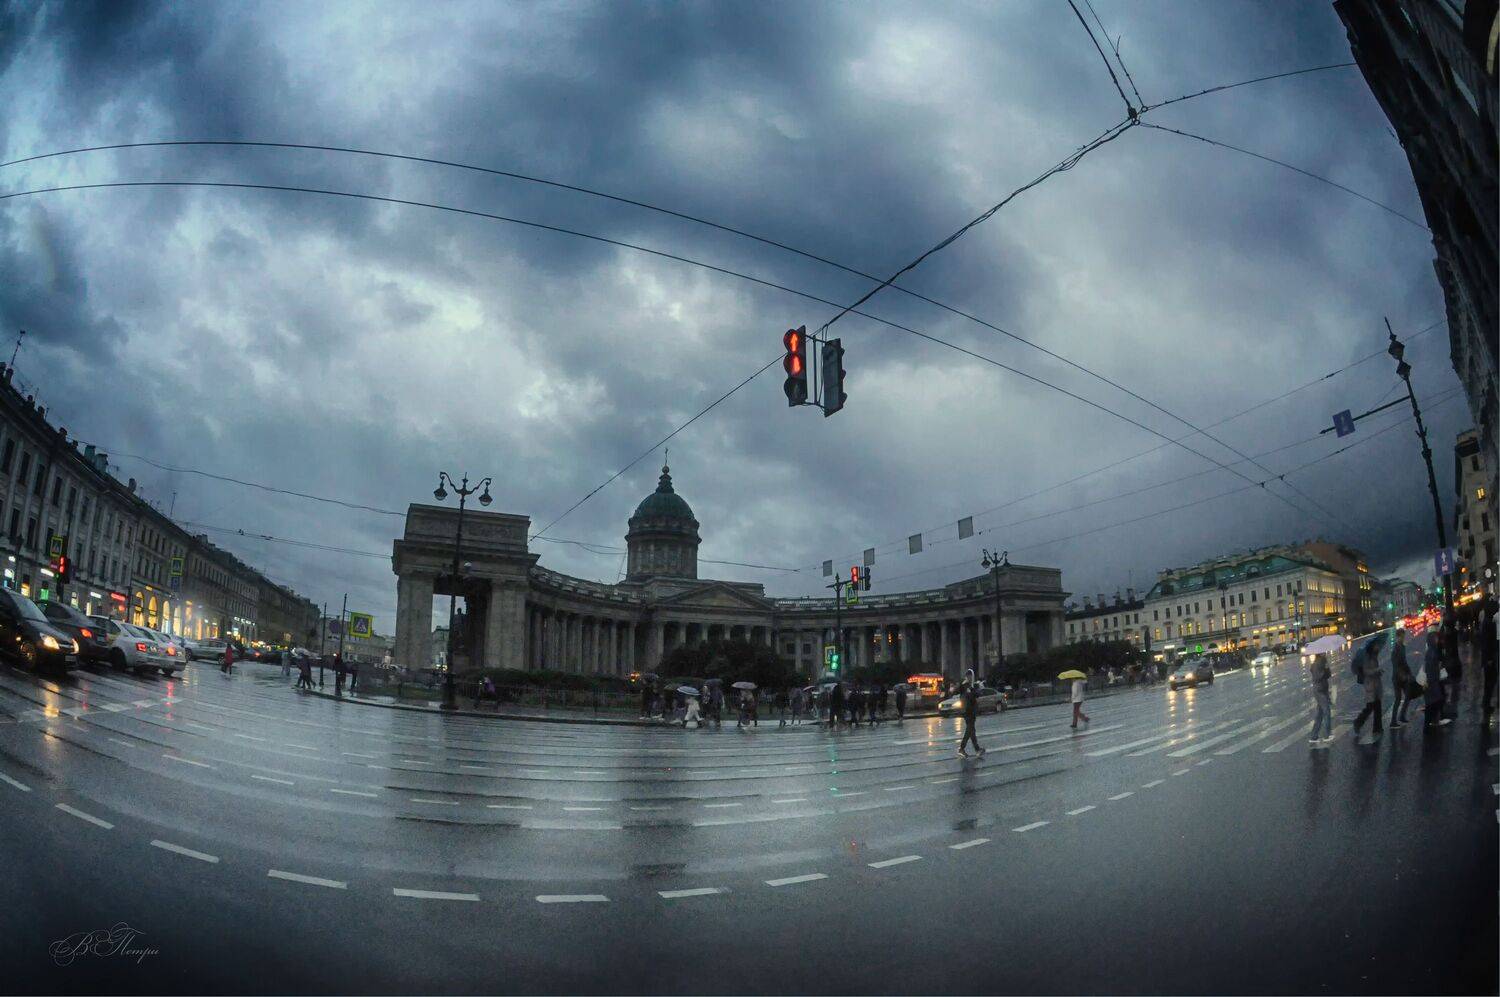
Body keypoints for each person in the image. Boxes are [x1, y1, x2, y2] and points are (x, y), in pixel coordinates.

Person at [1352, 638, 1384, 738]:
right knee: (1370, 707)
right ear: (1372, 647)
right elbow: (1366, 671)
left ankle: (1377, 728)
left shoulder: (1374, 656)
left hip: (1376, 684)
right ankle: (1358, 722)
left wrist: (1378, 671)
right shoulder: (1367, 658)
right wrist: (1376, 670)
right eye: (1376, 645)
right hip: (1370, 685)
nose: (1378, 647)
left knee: (1377, 706)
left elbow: (1373, 670)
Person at [1388, 629, 1412, 728]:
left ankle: (1402, 715)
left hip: (1404, 676)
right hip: (1397, 678)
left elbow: (1404, 662)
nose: (1403, 638)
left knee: (1408, 696)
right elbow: (1395, 664)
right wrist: (1402, 674)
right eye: (1401, 636)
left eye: (1403, 636)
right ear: (1398, 636)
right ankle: (1393, 722)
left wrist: (1409, 672)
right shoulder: (1395, 649)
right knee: (1398, 699)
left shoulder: (1402, 647)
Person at [1308, 652, 1333, 745]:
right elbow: (1318, 677)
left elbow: (1328, 675)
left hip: (1322, 689)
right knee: (1326, 711)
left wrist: (1326, 668)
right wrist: (1325, 669)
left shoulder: (1321, 662)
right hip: (1319, 690)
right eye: (1323, 653)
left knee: (1319, 714)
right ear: (1320, 654)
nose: (1325, 654)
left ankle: (1314, 736)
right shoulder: (1316, 664)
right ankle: (1327, 734)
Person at [958, 680, 985, 758]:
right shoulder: (967, 694)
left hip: (968, 714)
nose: (969, 686)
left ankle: (977, 749)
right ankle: (962, 749)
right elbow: (977, 694)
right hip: (969, 715)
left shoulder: (963, 694)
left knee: (972, 732)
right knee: (969, 732)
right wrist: (973, 688)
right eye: (968, 685)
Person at [1480, 598, 1497, 725]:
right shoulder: (1489, 623)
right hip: (1489, 658)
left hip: (1487, 658)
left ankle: (1486, 703)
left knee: (1489, 682)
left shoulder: (1487, 622)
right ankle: (1486, 704)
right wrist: (1489, 659)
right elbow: (1487, 643)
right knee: (1490, 682)